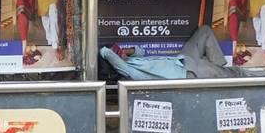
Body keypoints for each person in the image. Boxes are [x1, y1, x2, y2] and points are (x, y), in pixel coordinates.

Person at [100, 25, 234, 81]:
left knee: (204, 31)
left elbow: (142, 51)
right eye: (116, 55)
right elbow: (105, 52)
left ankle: (218, 68)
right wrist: (112, 53)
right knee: (233, 75)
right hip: (186, 73)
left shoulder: (131, 61)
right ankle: (224, 74)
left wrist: (126, 52)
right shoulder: (129, 72)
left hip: (182, 59)